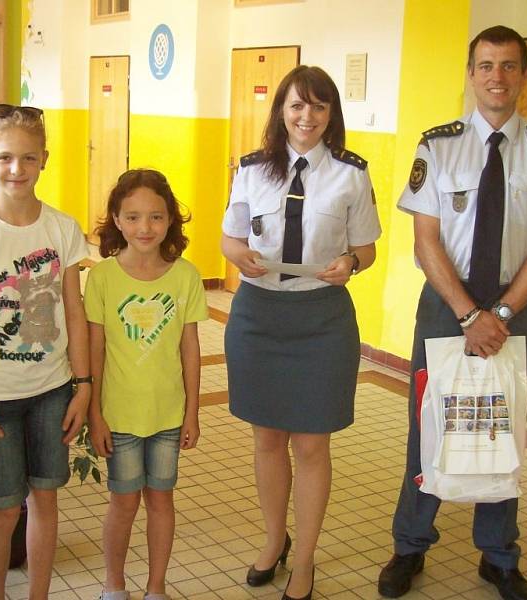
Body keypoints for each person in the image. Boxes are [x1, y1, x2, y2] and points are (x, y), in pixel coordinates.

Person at [378, 26, 527, 600]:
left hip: (515, 304)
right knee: (430, 425)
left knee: (501, 425)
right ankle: (410, 545)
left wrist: (503, 310)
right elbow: (426, 243)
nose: (498, 76)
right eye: (487, 65)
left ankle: (498, 556)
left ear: (524, 75)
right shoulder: (438, 146)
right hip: (448, 305)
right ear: (471, 74)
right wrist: (471, 315)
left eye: (509, 66)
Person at [221, 65, 381, 600]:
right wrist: (238, 254)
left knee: (312, 445)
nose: (305, 116)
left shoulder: (351, 175)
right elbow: (229, 238)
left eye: (317, 106)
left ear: (331, 114)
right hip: (259, 317)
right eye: (296, 105)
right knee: (267, 439)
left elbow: (368, 249)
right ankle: (274, 541)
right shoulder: (251, 170)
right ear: (280, 112)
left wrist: (351, 263)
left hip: (321, 320)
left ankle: (306, 559)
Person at [0, 104, 91, 599]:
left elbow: (74, 312)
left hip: (53, 390)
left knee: (45, 501)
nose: (16, 170)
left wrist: (84, 386)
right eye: (5, 157)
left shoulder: (63, 229)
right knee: (3, 510)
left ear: (44, 159)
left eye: (28, 158)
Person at [85, 169, 208, 600]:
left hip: (167, 415)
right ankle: (113, 585)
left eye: (156, 217)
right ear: (116, 220)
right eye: (133, 217)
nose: (145, 227)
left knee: (161, 501)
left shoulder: (185, 276)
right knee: (123, 503)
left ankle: (156, 587)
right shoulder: (101, 277)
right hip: (118, 415)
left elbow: (190, 349)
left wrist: (192, 410)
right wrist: (93, 413)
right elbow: (94, 349)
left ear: (171, 220)